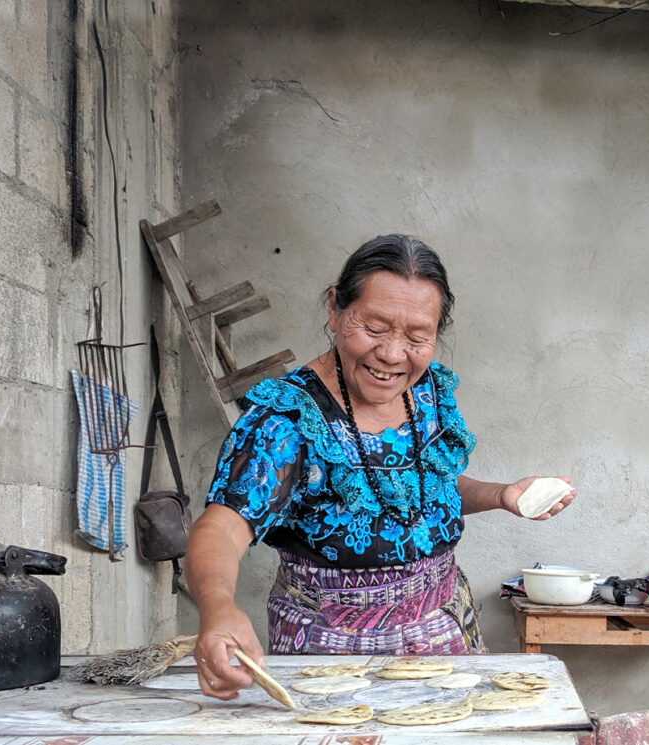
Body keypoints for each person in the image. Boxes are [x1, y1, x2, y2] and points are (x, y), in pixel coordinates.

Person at [186, 234, 576, 701]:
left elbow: (421, 489)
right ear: (334, 309)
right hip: (332, 654)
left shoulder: (428, 392)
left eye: (417, 337)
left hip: (446, 633)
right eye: (373, 328)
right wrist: (217, 606)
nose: (392, 354)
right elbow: (224, 526)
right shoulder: (287, 419)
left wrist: (501, 495)